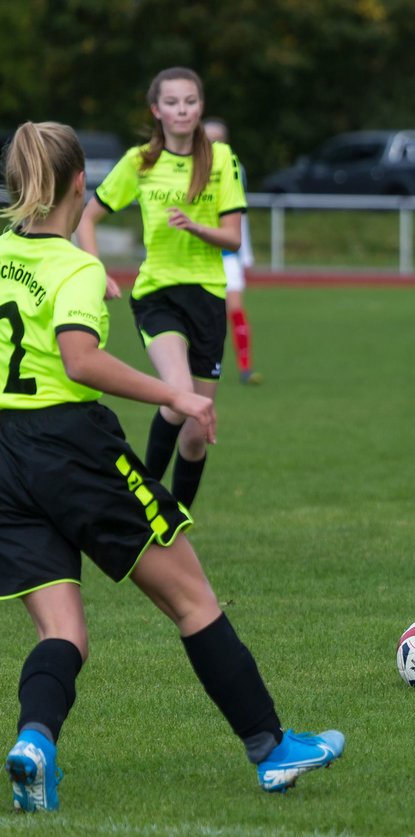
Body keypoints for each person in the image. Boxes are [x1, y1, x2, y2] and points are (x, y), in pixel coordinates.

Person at [0, 122, 343, 812]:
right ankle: (271, 748)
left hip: (5, 457)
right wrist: (175, 393)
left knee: (63, 631)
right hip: (72, 449)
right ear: (79, 184)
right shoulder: (77, 268)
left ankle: (35, 743)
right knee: (192, 599)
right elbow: (79, 359)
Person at [76, 67, 244, 509]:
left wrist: (196, 226)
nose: (181, 109)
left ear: (200, 107)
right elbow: (87, 218)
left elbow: (234, 238)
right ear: (156, 110)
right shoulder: (139, 162)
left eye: (189, 101)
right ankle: (146, 502)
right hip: (158, 295)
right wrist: (97, 271)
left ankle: (178, 519)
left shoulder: (223, 159)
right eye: (172, 102)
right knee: (179, 392)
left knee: (195, 433)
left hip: (207, 297)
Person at [202, 117, 261, 385]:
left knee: (235, 307)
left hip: (227, 255)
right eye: (208, 138)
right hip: (196, 256)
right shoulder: (186, 169)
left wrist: (244, 253)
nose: (213, 144)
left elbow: (239, 216)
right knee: (201, 315)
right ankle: (199, 367)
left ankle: (245, 368)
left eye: (218, 139)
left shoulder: (235, 168)